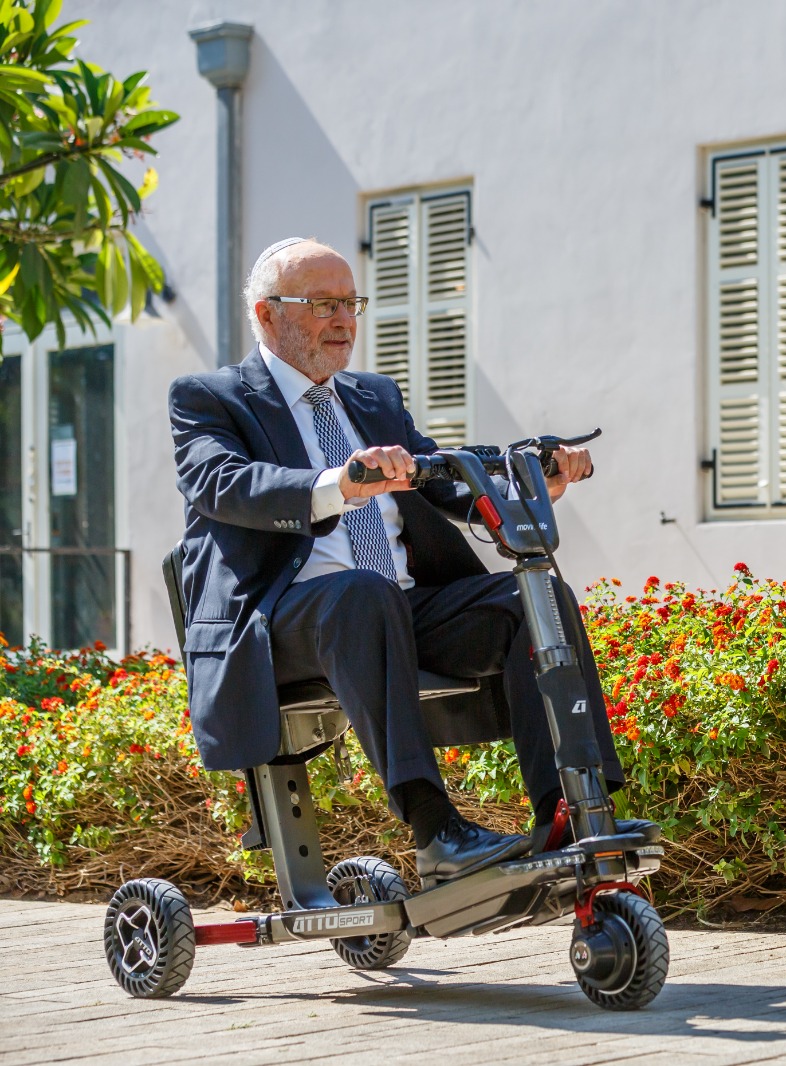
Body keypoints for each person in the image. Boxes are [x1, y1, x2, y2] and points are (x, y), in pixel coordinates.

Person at [169, 236, 625, 884]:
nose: (344, 319)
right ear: (267, 315)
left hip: (396, 609)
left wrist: (529, 485)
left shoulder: (374, 397)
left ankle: (575, 812)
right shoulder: (210, 398)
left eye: (351, 302)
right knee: (360, 593)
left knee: (535, 597)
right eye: (323, 303)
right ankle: (435, 830)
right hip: (282, 620)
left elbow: (442, 482)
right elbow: (223, 484)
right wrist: (338, 485)